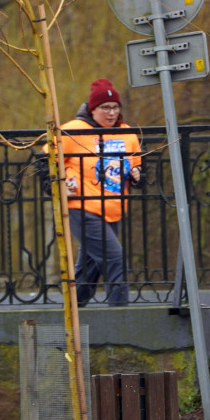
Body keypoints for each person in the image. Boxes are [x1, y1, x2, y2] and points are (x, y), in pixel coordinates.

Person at [44, 78, 142, 306]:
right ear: (92, 109)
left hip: (113, 209)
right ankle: (121, 316)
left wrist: (138, 174)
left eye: (115, 107)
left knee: (89, 266)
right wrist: (58, 185)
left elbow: (136, 164)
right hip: (82, 206)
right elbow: (45, 162)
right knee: (114, 258)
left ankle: (73, 311)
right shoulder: (73, 130)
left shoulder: (126, 133)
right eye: (104, 108)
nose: (111, 113)